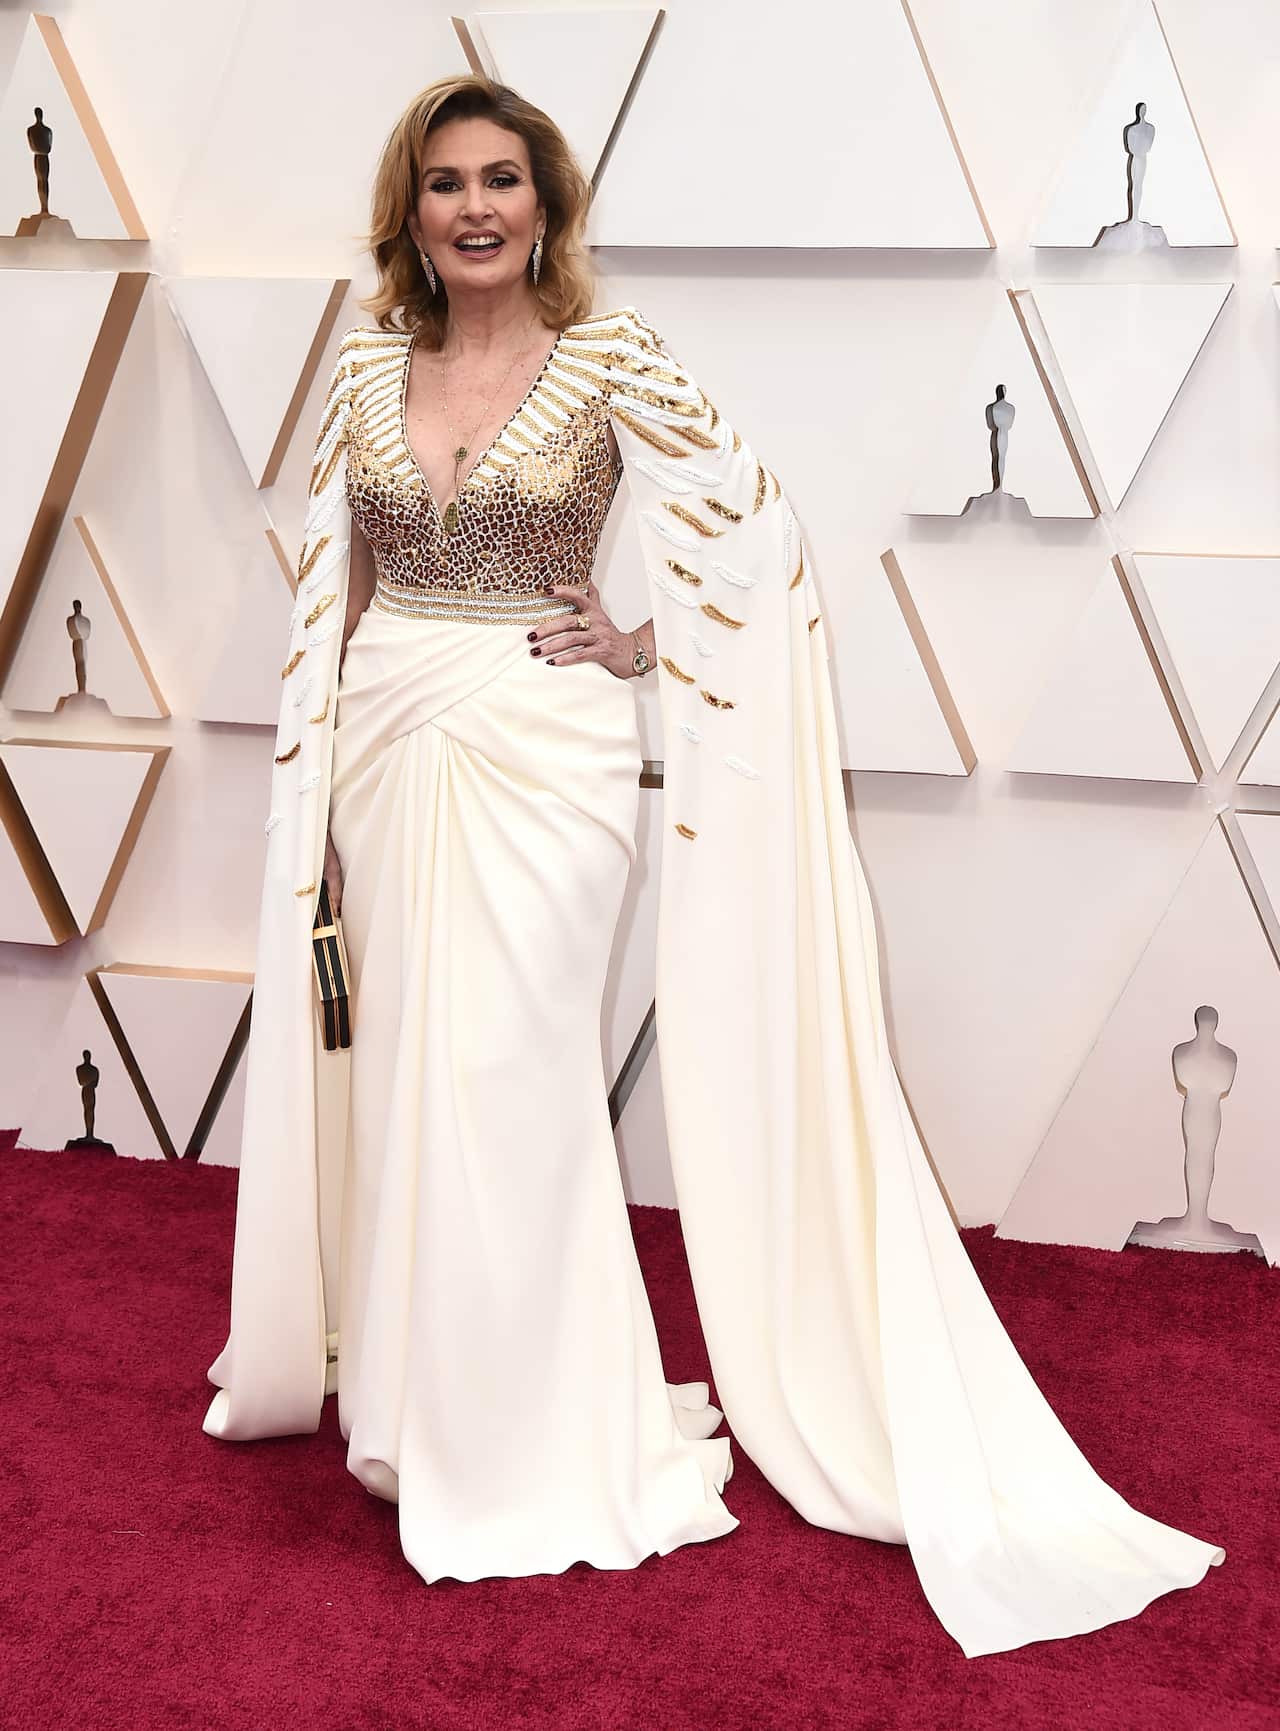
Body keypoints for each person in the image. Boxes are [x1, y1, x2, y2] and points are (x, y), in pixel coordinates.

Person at [203, 73, 1224, 1658]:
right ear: (411, 210)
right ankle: (416, 1401)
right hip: (389, 745)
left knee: (512, 1074)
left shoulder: (610, 356)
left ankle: (542, 1432)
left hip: (550, 752)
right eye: (446, 183)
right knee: (411, 1069)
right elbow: (336, 585)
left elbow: (759, 533)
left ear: (546, 205)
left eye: (504, 181)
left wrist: (638, 641)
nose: (476, 208)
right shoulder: (361, 370)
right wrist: (314, 794)